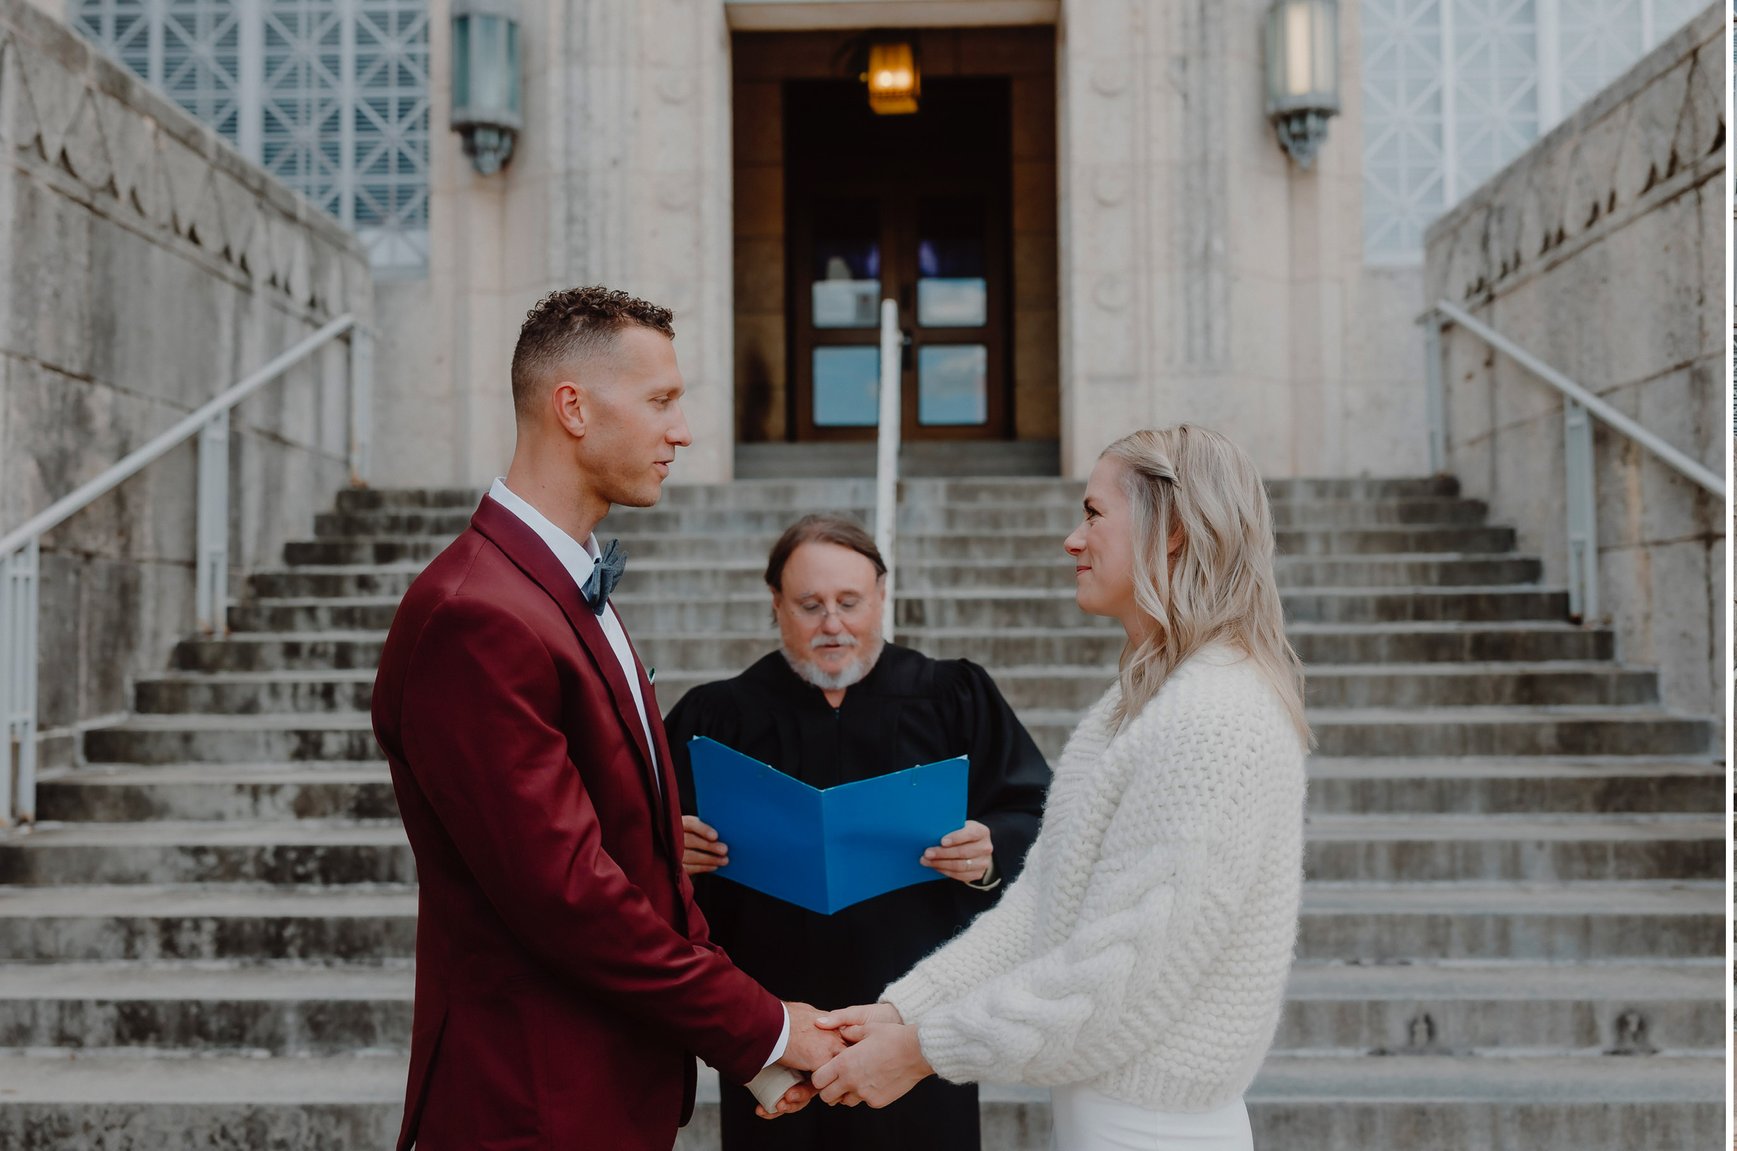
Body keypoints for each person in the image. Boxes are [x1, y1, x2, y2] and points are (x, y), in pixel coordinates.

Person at [369, 286, 839, 1149]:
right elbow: (570, 896)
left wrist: (754, 1048)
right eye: (660, 400)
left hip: (607, 1094)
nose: (683, 430)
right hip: (527, 1107)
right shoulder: (475, 615)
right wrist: (764, 1027)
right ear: (573, 408)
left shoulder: (565, 587)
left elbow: (647, 859)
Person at [763, 424, 1314, 1150]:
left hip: (1159, 1131)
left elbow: (1118, 982)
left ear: (1171, 529)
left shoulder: (1216, 718)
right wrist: (902, 1011)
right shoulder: (1132, 707)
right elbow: (1040, 903)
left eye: (1092, 513)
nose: (1073, 540)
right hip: (1097, 1115)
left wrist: (924, 1048)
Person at [666, 513, 1053, 1151]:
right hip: (776, 1022)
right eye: (810, 606)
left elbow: (1034, 814)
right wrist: (674, 852)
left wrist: (988, 850)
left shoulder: (952, 696)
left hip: (917, 1019)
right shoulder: (719, 715)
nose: (833, 625)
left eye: (850, 603)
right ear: (776, 604)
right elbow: (631, 851)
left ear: (881, 596)